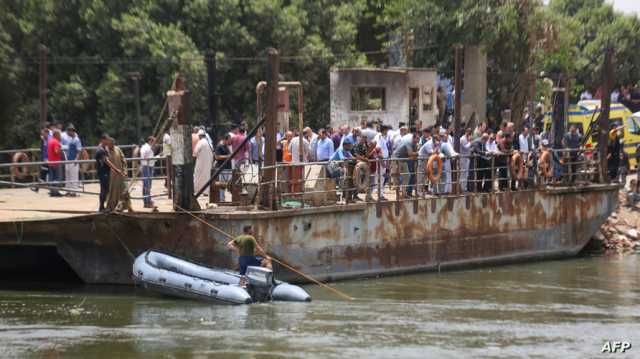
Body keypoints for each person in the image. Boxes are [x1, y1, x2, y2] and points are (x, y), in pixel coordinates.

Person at [391, 133, 419, 198]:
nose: (418, 140)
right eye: (417, 138)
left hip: (403, 161)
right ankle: (398, 195)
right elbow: (410, 154)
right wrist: (418, 153)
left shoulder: (414, 144)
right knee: (396, 177)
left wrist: (414, 154)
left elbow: (412, 156)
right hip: (396, 160)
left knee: (407, 176)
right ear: (413, 138)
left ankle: (403, 194)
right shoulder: (408, 142)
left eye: (418, 138)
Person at [106, 138, 130, 212]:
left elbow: (123, 160)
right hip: (112, 176)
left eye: (113, 144)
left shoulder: (118, 149)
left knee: (125, 191)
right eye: (110, 144)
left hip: (121, 175)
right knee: (112, 192)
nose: (112, 146)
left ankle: (127, 206)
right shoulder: (106, 151)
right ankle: (111, 207)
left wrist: (125, 170)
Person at [61, 124, 82, 196]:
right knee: (68, 175)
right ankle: (69, 190)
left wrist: (76, 159)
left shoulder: (76, 140)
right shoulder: (70, 139)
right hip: (68, 160)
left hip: (73, 160)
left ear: (72, 131)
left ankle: (75, 191)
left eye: (68, 131)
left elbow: (79, 150)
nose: (67, 133)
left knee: (74, 176)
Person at [193, 129, 214, 196]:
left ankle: (197, 190)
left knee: (197, 176)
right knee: (207, 176)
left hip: (200, 163)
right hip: (208, 163)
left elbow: (195, 153)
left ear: (200, 136)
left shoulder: (200, 142)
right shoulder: (209, 143)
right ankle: (206, 191)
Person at [215, 134, 232, 201]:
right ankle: (221, 198)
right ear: (225, 139)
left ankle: (223, 198)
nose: (230, 141)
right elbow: (217, 157)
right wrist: (227, 156)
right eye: (229, 140)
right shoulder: (219, 146)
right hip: (222, 167)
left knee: (225, 183)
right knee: (222, 183)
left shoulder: (226, 146)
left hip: (227, 167)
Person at [140, 136, 156, 208]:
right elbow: (144, 157)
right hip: (146, 167)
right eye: (154, 142)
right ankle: (147, 202)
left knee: (147, 185)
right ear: (150, 141)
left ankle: (147, 200)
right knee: (147, 185)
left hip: (149, 166)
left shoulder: (148, 148)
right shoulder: (145, 148)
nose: (154, 143)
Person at [47, 130, 63, 197]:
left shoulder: (50, 141)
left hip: (50, 162)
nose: (60, 136)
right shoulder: (56, 142)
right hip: (56, 162)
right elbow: (56, 151)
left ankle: (52, 191)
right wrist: (61, 150)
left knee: (52, 178)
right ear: (56, 135)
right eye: (59, 134)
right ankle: (56, 192)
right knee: (57, 177)